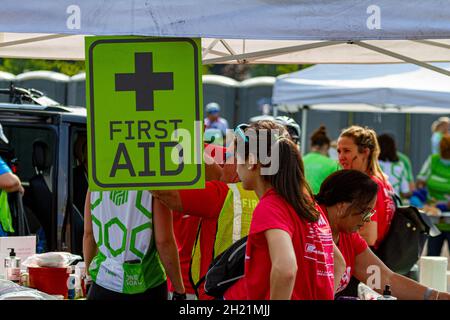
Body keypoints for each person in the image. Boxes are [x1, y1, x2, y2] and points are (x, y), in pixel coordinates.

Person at [230, 121, 336, 300]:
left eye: (238, 156)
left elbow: (286, 269)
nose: (235, 164)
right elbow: (338, 263)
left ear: (252, 162)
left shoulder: (270, 207)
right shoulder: (307, 204)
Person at [316, 169, 450, 300]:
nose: (368, 219)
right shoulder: (312, 229)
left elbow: (385, 278)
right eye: (366, 211)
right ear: (342, 206)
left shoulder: (348, 235)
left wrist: (436, 296)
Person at [83, 190, 185, 300]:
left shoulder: (98, 177)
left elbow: (89, 234)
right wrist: (179, 290)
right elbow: (164, 242)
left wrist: (88, 276)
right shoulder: (154, 177)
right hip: (148, 283)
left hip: (103, 283)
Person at [337, 125, 396, 249]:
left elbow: (368, 236)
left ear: (365, 152)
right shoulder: (383, 181)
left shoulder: (366, 186)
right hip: (381, 257)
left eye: (346, 151)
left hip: (366, 259)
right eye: (339, 151)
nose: (341, 157)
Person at [417, 134, 450, 256]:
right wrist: (421, 193)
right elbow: (420, 181)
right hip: (434, 221)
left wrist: (446, 204)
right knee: (432, 257)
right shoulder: (433, 160)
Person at [303, 125, 340, 194]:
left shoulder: (300, 160)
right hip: (321, 202)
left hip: (299, 201)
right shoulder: (332, 164)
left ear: (312, 145)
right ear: (326, 146)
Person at [377, 133, 412, 199]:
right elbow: (405, 192)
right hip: (394, 205)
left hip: (377, 205)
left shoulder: (373, 164)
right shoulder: (400, 165)